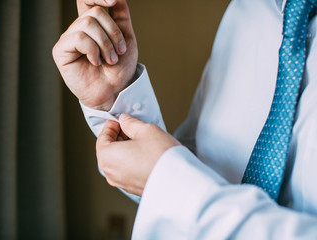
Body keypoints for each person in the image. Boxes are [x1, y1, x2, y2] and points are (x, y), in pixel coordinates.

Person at [53, 0, 317, 238]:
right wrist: (114, 97)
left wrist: (169, 181)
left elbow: (183, 187)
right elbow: (197, 170)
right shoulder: (245, 11)